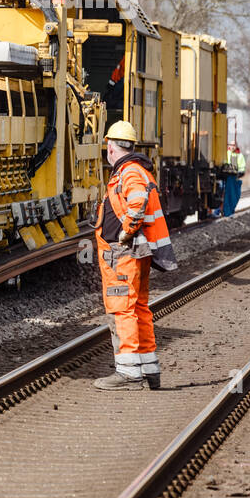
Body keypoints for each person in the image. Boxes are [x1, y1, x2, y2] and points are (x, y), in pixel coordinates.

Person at [93, 120, 177, 391]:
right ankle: (149, 367)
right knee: (139, 307)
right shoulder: (137, 169)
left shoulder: (129, 172)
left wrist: (125, 232)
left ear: (111, 147)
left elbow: (137, 201)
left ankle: (128, 372)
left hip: (123, 255)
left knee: (122, 309)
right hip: (135, 254)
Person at [223, 144, 246, 216]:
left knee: (236, 196)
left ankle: (230, 211)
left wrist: (239, 173)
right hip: (228, 177)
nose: (232, 147)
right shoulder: (226, 153)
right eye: (231, 145)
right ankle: (227, 212)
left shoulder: (240, 155)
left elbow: (242, 167)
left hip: (236, 178)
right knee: (228, 195)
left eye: (234, 145)